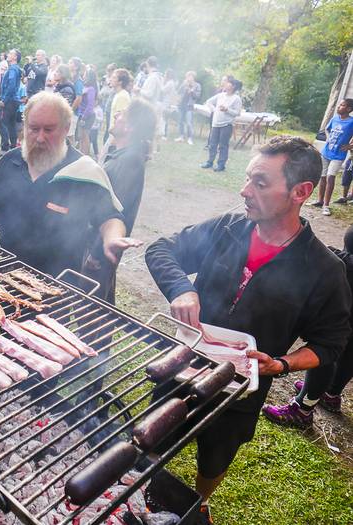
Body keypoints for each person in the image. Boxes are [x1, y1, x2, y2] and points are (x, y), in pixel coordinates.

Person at [145, 135, 351, 524]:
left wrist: (280, 364)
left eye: (260, 182)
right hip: (185, 362)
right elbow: (161, 248)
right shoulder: (228, 227)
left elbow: (330, 342)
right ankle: (147, 480)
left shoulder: (323, 269)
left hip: (242, 387)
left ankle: (200, 501)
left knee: (217, 452)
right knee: (157, 430)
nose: (244, 191)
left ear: (300, 192)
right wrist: (182, 287)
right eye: (246, 179)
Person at [0, 91, 141, 277]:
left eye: (48, 130)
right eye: (33, 128)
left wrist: (112, 238)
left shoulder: (84, 171)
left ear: (66, 128)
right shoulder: (9, 162)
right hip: (6, 272)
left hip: (59, 282)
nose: (40, 138)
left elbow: (110, 218)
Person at [262, 224, 353, 426]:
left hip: (347, 294)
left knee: (326, 349)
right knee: (348, 349)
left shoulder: (341, 264)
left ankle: (303, 409)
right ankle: (330, 393)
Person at [83, 99, 156, 303]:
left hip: (101, 249)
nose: (115, 116)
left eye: (121, 113)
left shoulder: (131, 160)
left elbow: (116, 209)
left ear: (130, 126)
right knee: (100, 301)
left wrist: (96, 252)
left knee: (93, 309)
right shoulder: (122, 156)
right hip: (98, 244)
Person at [308, 98, 353, 216]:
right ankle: (319, 200)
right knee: (322, 177)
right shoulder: (335, 118)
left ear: (348, 109)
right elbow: (327, 130)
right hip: (326, 152)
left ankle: (326, 205)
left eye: (342, 105)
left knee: (330, 177)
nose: (339, 107)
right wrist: (328, 137)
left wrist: (350, 146)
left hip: (338, 155)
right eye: (339, 104)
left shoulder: (351, 122)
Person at [201, 75, 242, 172]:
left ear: (233, 87)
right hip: (216, 124)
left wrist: (227, 110)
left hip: (226, 125)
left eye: (228, 83)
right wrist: (214, 110)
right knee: (212, 144)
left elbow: (237, 113)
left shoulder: (236, 98)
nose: (226, 84)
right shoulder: (221, 95)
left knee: (223, 145)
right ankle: (209, 162)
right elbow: (208, 102)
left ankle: (221, 165)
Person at [0, 49, 22, 156]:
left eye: (11, 53)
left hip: (10, 101)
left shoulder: (12, 69)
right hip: (14, 100)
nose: (8, 54)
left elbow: (11, 86)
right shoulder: (15, 69)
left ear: (15, 57)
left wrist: (4, 100)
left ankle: (5, 148)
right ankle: (13, 147)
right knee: (11, 124)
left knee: (2, 123)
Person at [138, 56, 163, 144]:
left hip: (148, 108)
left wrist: (138, 90)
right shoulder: (157, 76)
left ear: (148, 64)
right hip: (151, 107)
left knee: (145, 133)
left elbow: (149, 94)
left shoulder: (153, 77)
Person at [175, 71, 202, 145]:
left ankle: (190, 138)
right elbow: (178, 92)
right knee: (180, 121)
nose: (188, 78)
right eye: (187, 76)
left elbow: (197, 96)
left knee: (189, 123)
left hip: (189, 106)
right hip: (181, 105)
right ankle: (181, 136)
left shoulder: (197, 85)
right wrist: (183, 85)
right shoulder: (184, 84)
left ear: (193, 77)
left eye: (190, 76)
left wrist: (192, 92)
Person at [77, 68, 98, 155]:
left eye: (85, 73)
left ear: (89, 76)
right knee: (81, 136)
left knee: (85, 136)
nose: (83, 74)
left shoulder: (91, 89)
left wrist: (84, 117)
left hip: (87, 116)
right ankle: (81, 153)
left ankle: (85, 155)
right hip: (81, 114)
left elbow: (90, 105)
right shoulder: (85, 86)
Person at [160, 68, 178, 139]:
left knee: (164, 118)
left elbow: (163, 91)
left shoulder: (170, 83)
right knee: (165, 118)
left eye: (165, 74)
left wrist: (161, 83)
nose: (164, 75)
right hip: (167, 102)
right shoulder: (171, 82)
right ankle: (164, 134)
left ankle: (164, 134)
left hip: (166, 102)